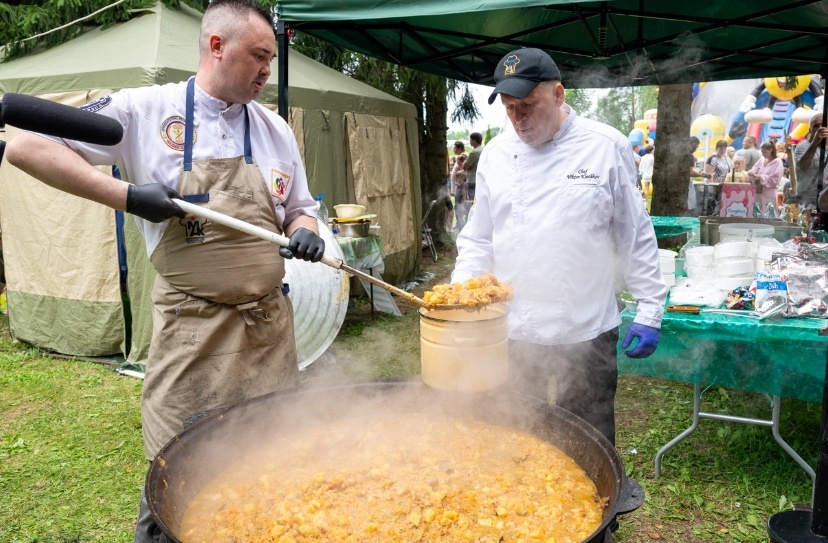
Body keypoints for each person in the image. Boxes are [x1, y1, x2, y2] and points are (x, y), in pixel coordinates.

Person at [5, 2, 325, 542]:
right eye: (259, 56)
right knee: (178, 474)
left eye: (271, 59)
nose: (267, 70)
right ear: (217, 46)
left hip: (268, 332)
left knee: (273, 459)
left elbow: (299, 205)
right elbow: (27, 147)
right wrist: (128, 196)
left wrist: (305, 227)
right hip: (192, 333)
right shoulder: (142, 111)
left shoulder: (274, 129)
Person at [453, 45, 665, 469]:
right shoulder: (495, 153)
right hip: (513, 330)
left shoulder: (606, 146)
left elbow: (633, 233)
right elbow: (478, 238)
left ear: (558, 94)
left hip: (585, 328)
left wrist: (651, 308)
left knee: (589, 444)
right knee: (514, 440)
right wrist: (460, 295)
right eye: (510, 109)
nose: (519, 119)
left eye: (528, 106)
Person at [797, 113, 828, 209]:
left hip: (825, 202)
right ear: (810, 131)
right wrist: (815, 142)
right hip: (808, 202)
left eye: (824, 125)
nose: (820, 128)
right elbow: (803, 166)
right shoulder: (803, 146)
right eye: (816, 126)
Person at [748, 141, 783, 213]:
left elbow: (776, 178)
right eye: (762, 152)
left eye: (765, 152)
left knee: (767, 210)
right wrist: (752, 172)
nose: (763, 154)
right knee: (758, 210)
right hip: (759, 190)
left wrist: (760, 177)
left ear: (771, 150)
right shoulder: (762, 159)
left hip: (769, 191)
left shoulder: (778, 162)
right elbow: (755, 167)